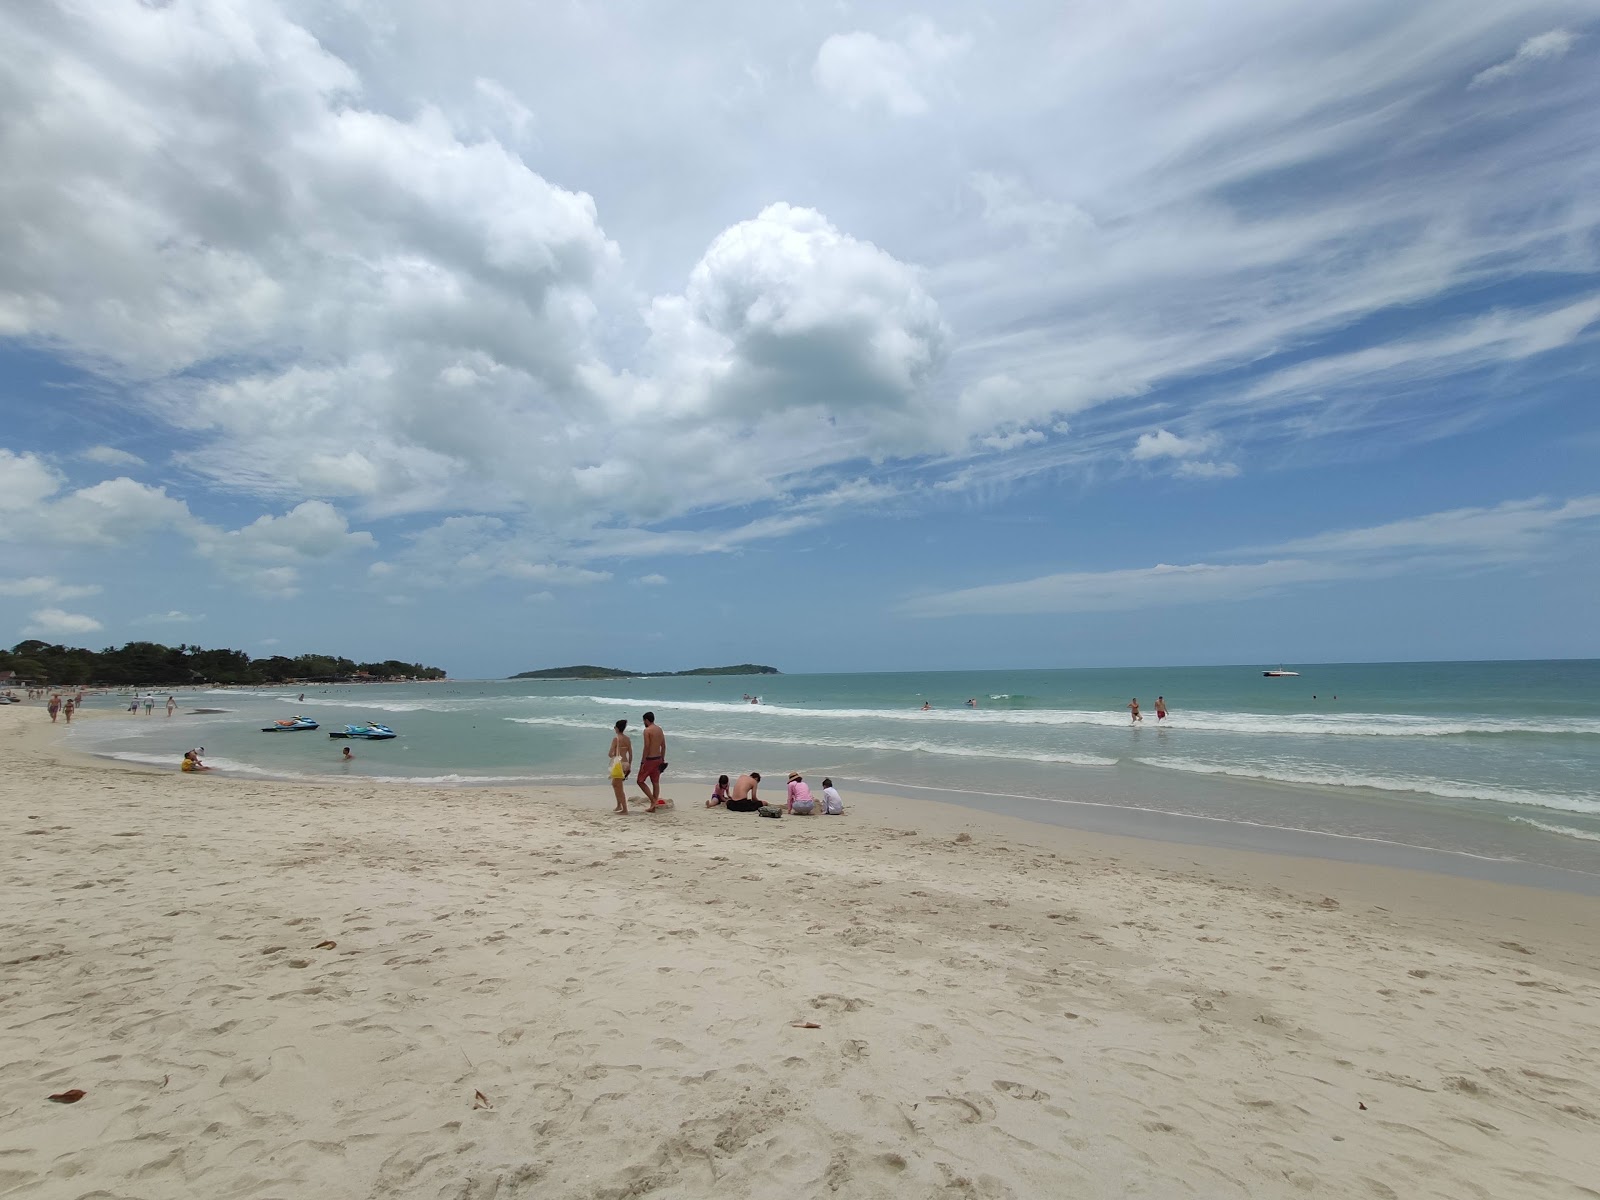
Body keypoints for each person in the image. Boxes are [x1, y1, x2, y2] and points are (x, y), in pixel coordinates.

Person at [636, 711, 667, 811]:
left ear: (646, 720)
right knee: (655, 782)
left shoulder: (647, 731)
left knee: (640, 781)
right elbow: (663, 746)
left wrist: (642, 762)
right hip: (658, 758)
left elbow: (647, 747)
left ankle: (653, 801)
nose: (643, 723)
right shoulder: (659, 729)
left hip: (650, 759)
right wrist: (662, 758)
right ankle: (653, 806)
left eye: (644, 721)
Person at [608, 719, 633, 814]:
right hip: (626, 763)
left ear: (617, 728)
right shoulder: (627, 739)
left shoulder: (616, 739)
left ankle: (625, 809)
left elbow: (610, 753)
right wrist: (630, 765)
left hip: (619, 764)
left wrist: (613, 754)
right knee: (615, 784)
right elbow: (630, 753)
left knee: (619, 787)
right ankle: (619, 805)